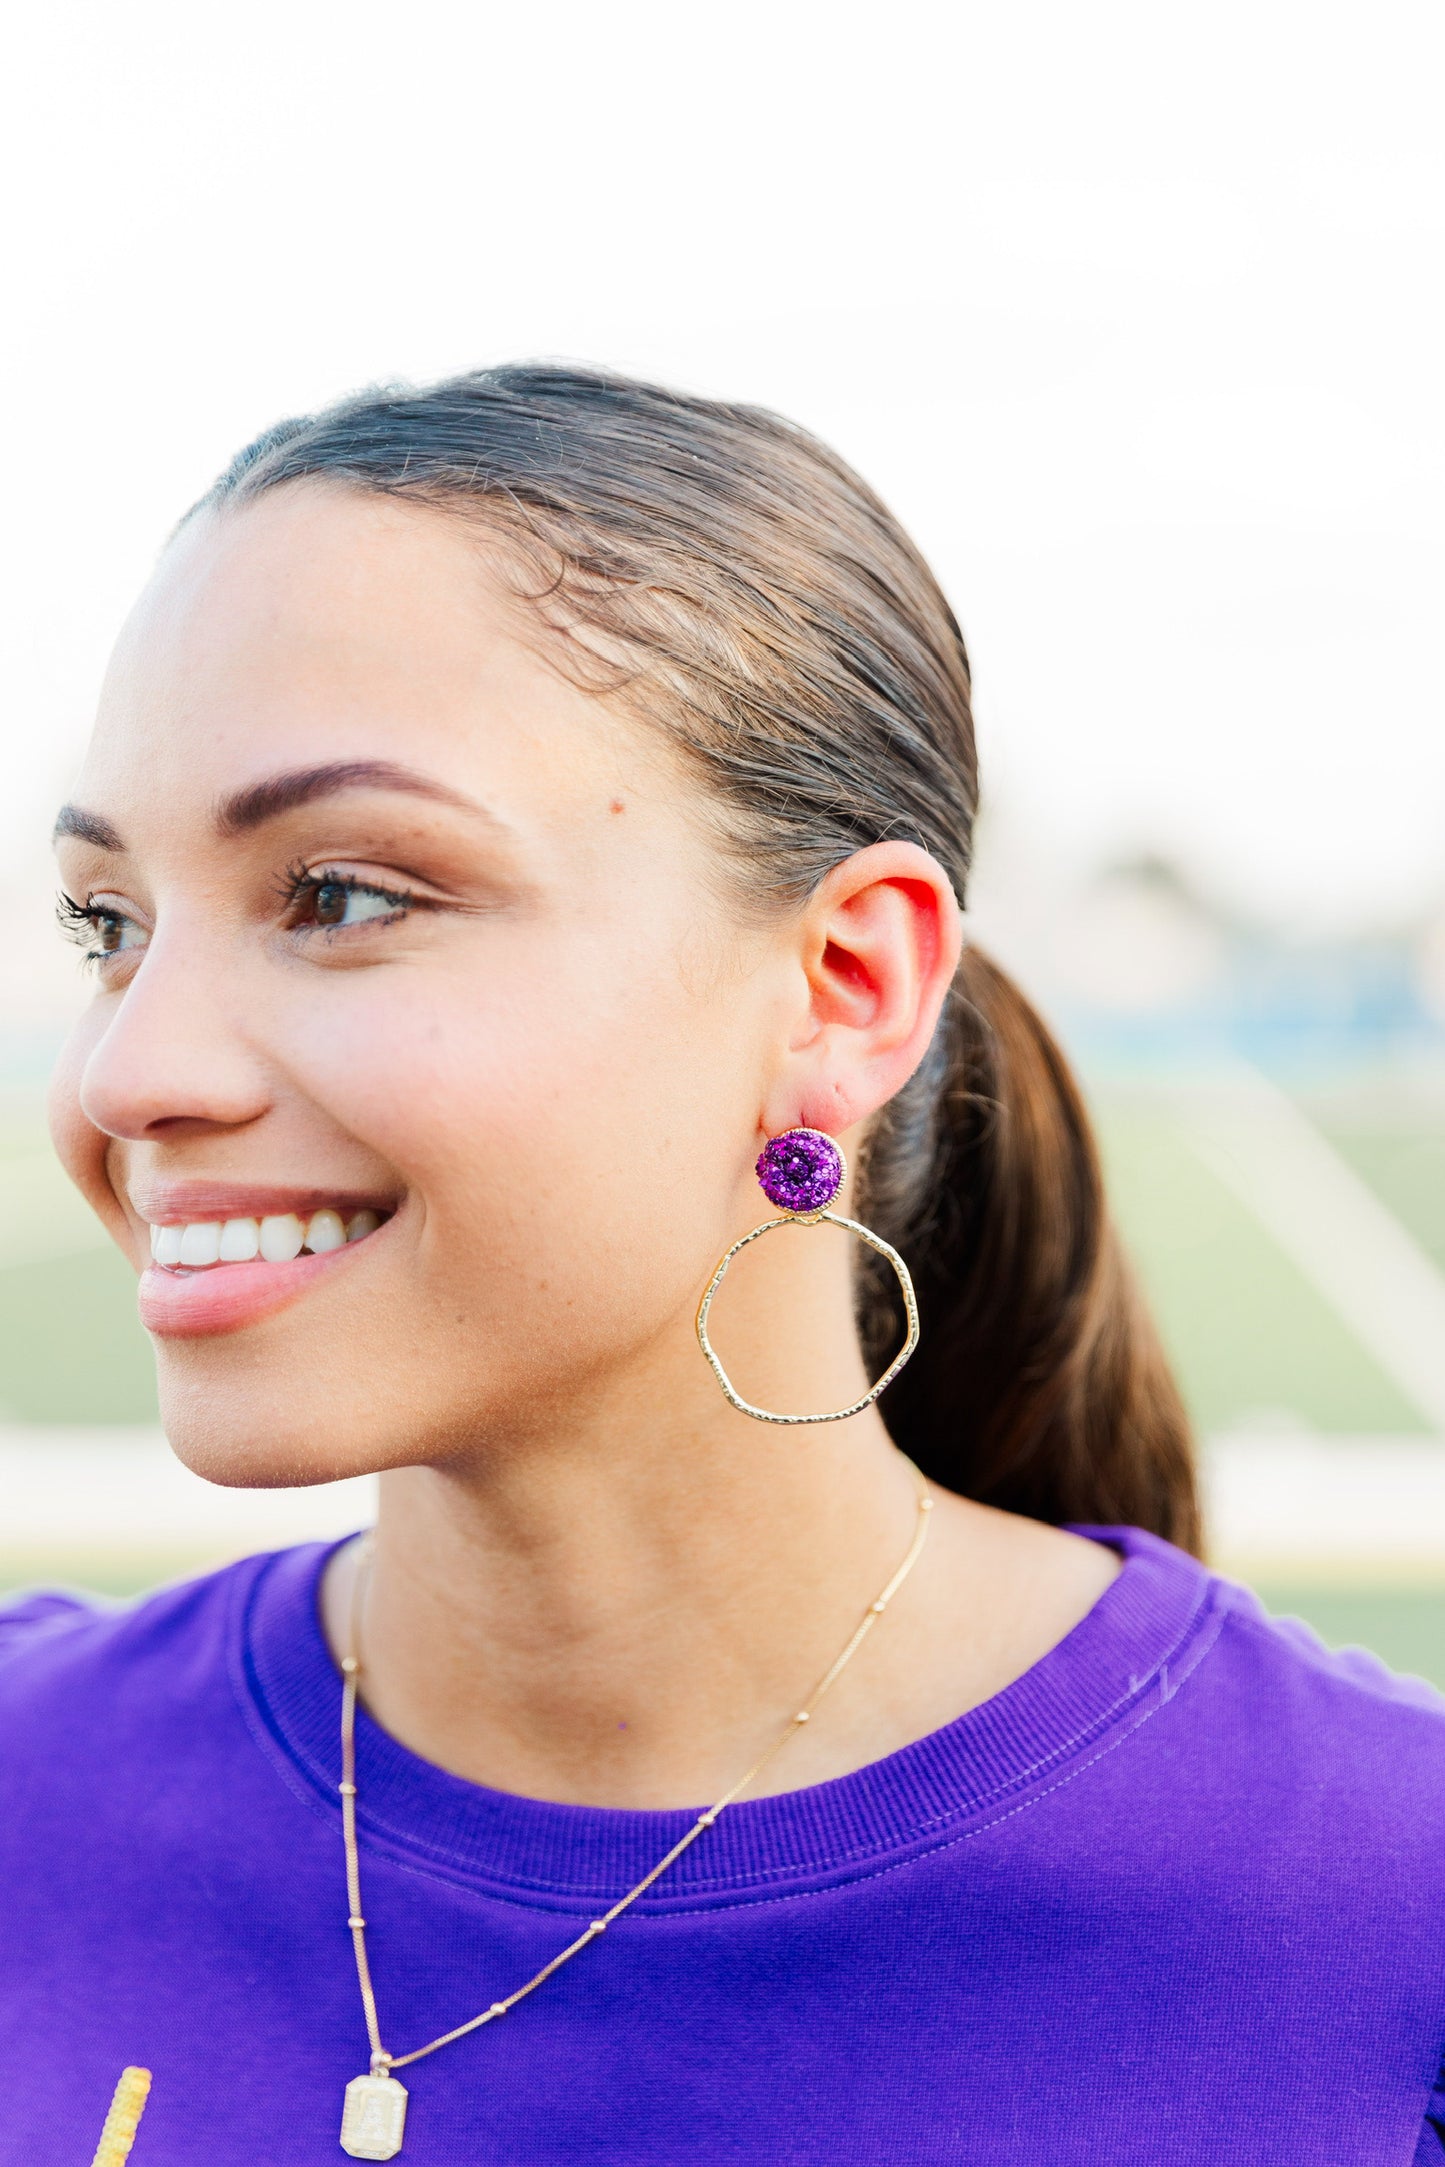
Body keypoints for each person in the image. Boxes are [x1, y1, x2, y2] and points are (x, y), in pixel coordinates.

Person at [3, 365, 1442, 2165]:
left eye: (347, 895)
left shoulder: (1392, 1921)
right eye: (110, 925)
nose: (131, 1071)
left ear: (845, 989)